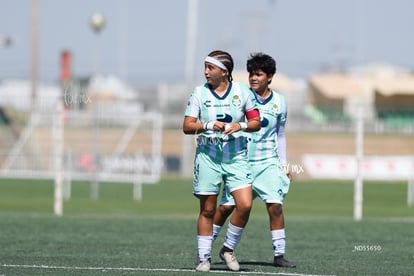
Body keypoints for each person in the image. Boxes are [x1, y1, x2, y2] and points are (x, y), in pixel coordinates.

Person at [212, 52, 296, 268]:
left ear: (270, 77)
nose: (253, 78)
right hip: (241, 163)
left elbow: (280, 135)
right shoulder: (241, 98)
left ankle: (279, 255)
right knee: (225, 208)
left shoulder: (280, 102)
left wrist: (284, 163)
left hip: (268, 164)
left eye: (258, 74)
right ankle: (206, 248)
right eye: (251, 74)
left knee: (275, 207)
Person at [183, 50, 261, 272]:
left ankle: (227, 249)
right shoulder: (199, 93)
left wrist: (240, 125)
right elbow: (187, 126)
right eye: (205, 67)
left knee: (245, 205)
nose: (206, 72)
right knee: (208, 210)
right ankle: (204, 257)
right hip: (208, 157)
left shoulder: (242, 92)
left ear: (224, 71)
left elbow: (256, 122)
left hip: (236, 156)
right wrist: (208, 125)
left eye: (211, 67)